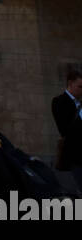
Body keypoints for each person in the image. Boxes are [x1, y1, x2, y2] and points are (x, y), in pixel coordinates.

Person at [52, 65, 82, 194]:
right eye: (80, 87)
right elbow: (65, 129)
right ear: (70, 83)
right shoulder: (59, 101)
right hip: (74, 158)